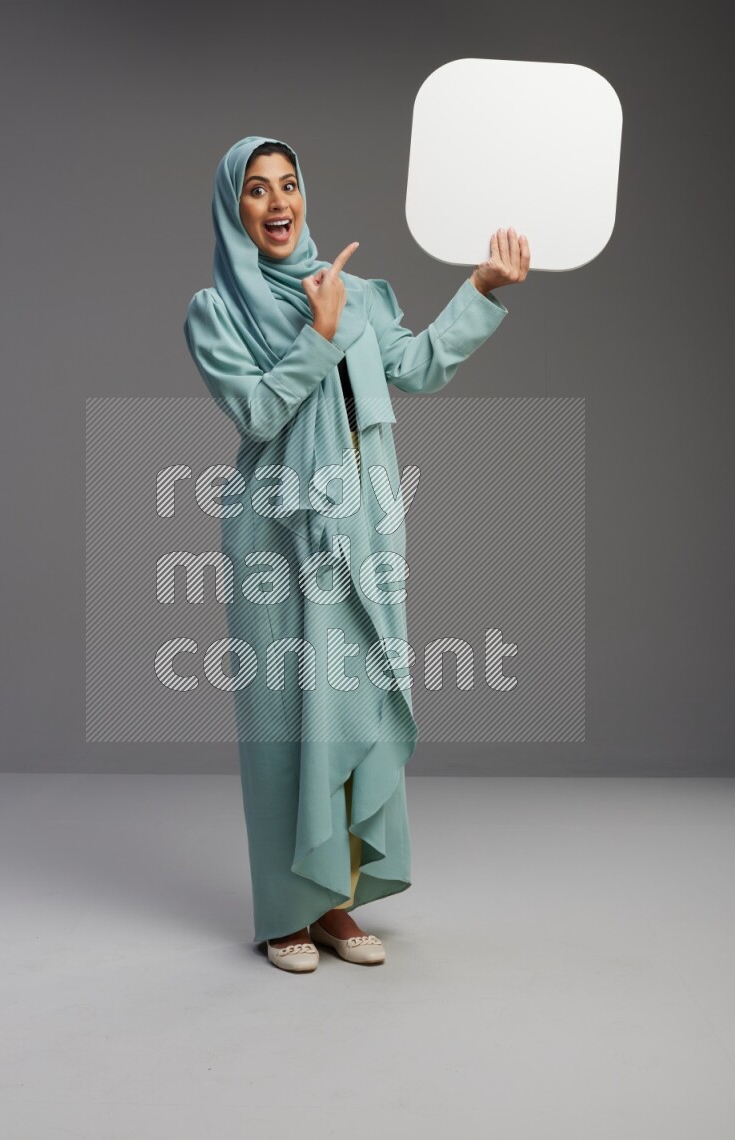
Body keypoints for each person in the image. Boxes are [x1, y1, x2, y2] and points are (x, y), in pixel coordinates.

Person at [184, 135, 529, 973]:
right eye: (257, 190)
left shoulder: (361, 293)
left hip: (366, 523)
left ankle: (336, 900)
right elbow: (259, 418)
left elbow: (417, 368)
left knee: (355, 704)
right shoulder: (215, 310)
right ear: (235, 208)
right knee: (282, 721)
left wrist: (481, 288)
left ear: (305, 196)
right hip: (275, 530)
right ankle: (284, 913)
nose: (277, 203)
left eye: (289, 185)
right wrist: (318, 333)